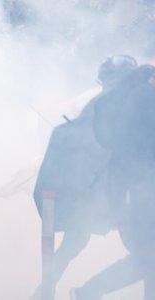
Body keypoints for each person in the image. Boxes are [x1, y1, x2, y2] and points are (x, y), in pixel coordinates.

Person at [32, 54, 136, 298]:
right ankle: (57, 289)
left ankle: (53, 288)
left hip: (101, 187)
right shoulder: (102, 106)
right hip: (93, 187)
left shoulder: (109, 104)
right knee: (79, 241)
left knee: (77, 241)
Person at [75, 59, 155, 299]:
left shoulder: (124, 99)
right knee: (149, 259)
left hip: (128, 194)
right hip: (140, 195)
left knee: (148, 260)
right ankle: (87, 292)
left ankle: (86, 293)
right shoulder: (145, 98)